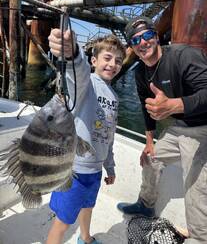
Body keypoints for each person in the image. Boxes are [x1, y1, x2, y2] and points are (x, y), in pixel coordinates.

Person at [117, 16, 207, 243]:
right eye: (136, 40)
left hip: (203, 128)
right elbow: (146, 108)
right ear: (133, 48)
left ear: (156, 37)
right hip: (180, 127)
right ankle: (146, 205)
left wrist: (174, 105)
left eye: (147, 35)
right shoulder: (140, 73)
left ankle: (200, 238)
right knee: (151, 159)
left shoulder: (183, 55)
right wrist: (149, 142)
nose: (143, 42)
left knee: (195, 189)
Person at [46, 30, 126, 244]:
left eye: (118, 61)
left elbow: (109, 135)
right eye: (107, 58)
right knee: (62, 221)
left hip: (95, 171)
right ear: (93, 60)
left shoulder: (115, 97)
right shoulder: (86, 85)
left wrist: (110, 166)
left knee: (88, 206)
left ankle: (85, 238)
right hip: (74, 171)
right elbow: (77, 74)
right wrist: (73, 54)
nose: (112, 64)